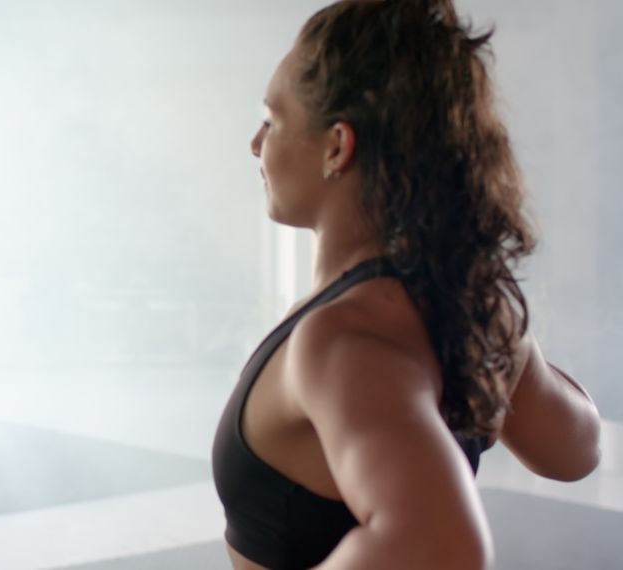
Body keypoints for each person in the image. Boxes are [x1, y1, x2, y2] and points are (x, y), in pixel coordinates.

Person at [211, 1, 602, 568]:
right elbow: (576, 449)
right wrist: (508, 338)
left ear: (336, 147)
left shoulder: (346, 338)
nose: (255, 143)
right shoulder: (463, 309)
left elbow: (441, 544)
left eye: (271, 119)